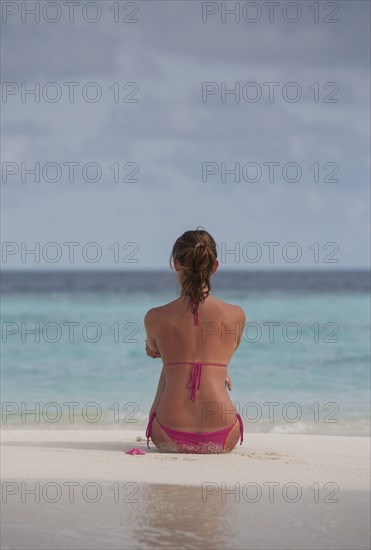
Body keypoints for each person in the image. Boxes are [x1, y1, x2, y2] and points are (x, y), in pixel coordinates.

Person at [144, 228, 246, 453]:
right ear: (215, 267)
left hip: (168, 433)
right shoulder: (236, 314)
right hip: (224, 433)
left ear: (175, 264)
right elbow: (226, 350)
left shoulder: (155, 316)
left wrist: (163, 350)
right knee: (212, 365)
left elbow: (153, 351)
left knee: (170, 365)